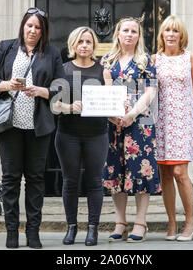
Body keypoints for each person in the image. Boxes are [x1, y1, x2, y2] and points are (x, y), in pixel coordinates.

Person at [0, 7, 65, 249]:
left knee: (35, 179)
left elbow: (61, 86)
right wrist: (6, 84)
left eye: (37, 27)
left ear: (43, 31)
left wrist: (41, 91)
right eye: (29, 25)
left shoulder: (51, 53)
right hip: (9, 126)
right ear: (23, 26)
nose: (32, 30)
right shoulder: (6, 47)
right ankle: (11, 232)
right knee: (10, 179)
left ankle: (33, 232)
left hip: (37, 126)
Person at [102, 17, 161, 243]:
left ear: (139, 36)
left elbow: (150, 92)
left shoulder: (146, 61)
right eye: (125, 30)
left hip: (140, 122)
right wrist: (114, 114)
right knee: (116, 171)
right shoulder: (107, 60)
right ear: (118, 33)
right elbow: (105, 92)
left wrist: (131, 114)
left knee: (140, 171)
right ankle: (120, 221)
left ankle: (140, 222)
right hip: (113, 122)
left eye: (133, 31)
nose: (129, 34)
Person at [53, 27, 108, 246]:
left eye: (88, 42)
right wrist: (69, 107)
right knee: (70, 181)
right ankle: (71, 227)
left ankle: (93, 229)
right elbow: (54, 105)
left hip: (97, 134)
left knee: (95, 181)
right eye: (80, 41)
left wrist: (120, 105)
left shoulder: (102, 71)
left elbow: (109, 100)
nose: (84, 45)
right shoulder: (63, 70)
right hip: (68, 134)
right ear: (73, 44)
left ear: (94, 45)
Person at [152, 15, 193, 241]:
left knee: (180, 172)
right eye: (167, 30)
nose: (171, 34)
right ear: (162, 34)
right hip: (160, 122)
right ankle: (172, 225)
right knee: (164, 174)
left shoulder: (190, 57)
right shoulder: (155, 59)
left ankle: (190, 223)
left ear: (181, 35)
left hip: (183, 121)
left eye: (176, 31)